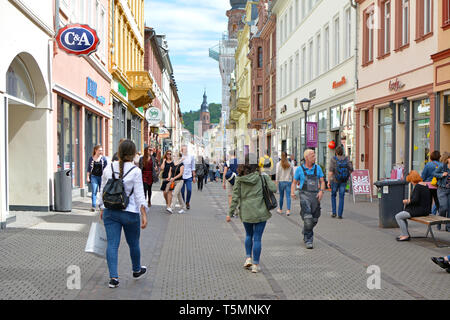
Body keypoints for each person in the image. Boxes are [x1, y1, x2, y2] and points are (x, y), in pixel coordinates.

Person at [98, 139, 148, 288]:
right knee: (133, 244)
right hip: (130, 213)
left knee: (112, 245)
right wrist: (144, 214)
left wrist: (101, 207)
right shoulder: (135, 171)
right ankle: (136, 270)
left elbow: (102, 190)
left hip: (110, 211)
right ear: (133, 154)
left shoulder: (108, 168)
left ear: (118, 152)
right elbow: (139, 195)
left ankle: (114, 278)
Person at [226, 153, 276, 273]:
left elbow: (235, 197)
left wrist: (230, 213)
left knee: (249, 235)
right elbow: (274, 189)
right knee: (257, 238)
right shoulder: (262, 176)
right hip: (260, 211)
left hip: (246, 211)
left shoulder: (239, 179)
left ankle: (248, 258)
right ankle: (255, 265)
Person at [291, 149, 326, 249]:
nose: (314, 158)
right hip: (304, 195)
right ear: (306, 158)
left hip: (315, 196)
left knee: (314, 219)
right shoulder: (299, 169)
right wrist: (292, 192)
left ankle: (306, 230)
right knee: (308, 219)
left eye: (314, 156)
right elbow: (294, 182)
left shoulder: (318, 168)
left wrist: (321, 191)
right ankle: (308, 240)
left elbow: (322, 182)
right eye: (312, 156)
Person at [394, 171, 431, 241]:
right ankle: (404, 233)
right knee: (402, 216)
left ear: (413, 179)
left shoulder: (418, 186)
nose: (411, 183)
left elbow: (415, 200)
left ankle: (405, 235)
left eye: (410, 181)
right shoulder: (425, 185)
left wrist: (407, 201)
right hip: (424, 209)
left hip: (419, 210)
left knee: (398, 216)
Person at [328, 145, 354, 219]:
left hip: (335, 180)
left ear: (336, 152)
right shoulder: (346, 159)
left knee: (333, 195)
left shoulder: (333, 159)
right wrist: (347, 174)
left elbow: (330, 171)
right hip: (343, 180)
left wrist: (329, 181)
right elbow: (351, 169)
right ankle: (340, 214)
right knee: (341, 196)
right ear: (342, 152)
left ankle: (334, 212)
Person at [87, 145, 107, 212]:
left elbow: (106, 169)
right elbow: (89, 169)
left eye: (101, 150)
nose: (101, 151)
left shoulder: (103, 159)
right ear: (95, 150)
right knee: (94, 191)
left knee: (102, 192)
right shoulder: (91, 158)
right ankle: (93, 206)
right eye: (99, 150)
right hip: (94, 177)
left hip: (102, 177)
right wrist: (87, 177)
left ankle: (102, 206)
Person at [421, 150, 441, 220]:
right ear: (439, 157)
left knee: (428, 202)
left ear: (431, 157)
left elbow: (423, 176)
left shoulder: (428, 165)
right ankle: (440, 217)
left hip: (428, 186)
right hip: (437, 186)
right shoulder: (441, 165)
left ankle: (428, 218)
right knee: (438, 202)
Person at [435, 152, 450, 232]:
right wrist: (442, 175)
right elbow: (434, 173)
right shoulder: (442, 166)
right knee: (444, 207)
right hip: (442, 189)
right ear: (447, 159)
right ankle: (439, 222)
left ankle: (448, 227)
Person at [276, 152, 294, 216]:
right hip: (288, 181)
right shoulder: (290, 164)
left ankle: (280, 209)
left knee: (281, 196)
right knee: (288, 196)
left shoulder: (278, 164)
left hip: (281, 181)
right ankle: (288, 210)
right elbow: (292, 173)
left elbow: (277, 173)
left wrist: (276, 182)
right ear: (286, 156)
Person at [180, 145, 196, 210]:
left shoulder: (191, 157)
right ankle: (183, 203)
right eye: (184, 149)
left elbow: (193, 167)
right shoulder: (180, 157)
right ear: (182, 150)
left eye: (186, 149)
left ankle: (187, 202)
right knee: (182, 191)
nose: (185, 150)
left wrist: (194, 177)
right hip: (181, 176)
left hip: (189, 176)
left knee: (189, 190)